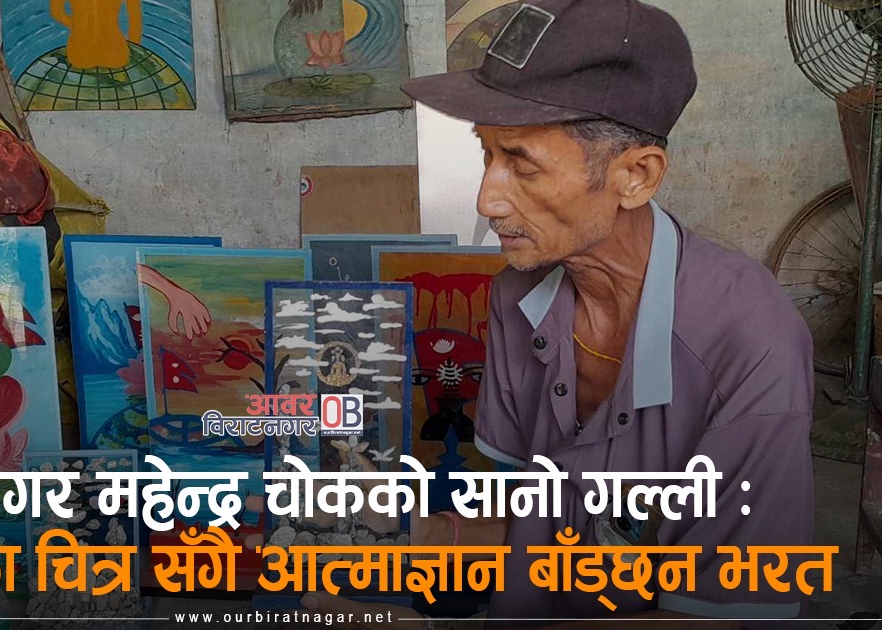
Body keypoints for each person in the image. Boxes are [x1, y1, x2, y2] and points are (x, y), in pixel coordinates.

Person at [301, 0, 815, 627]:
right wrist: (413, 533)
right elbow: (541, 523)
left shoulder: (751, 340)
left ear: (636, 176)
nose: (488, 198)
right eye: (487, 154)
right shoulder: (517, 298)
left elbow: (725, 615)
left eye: (522, 165)